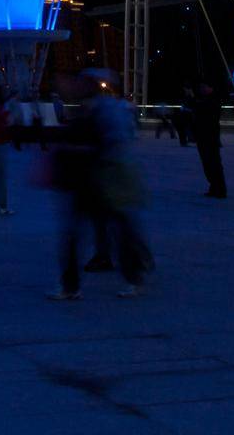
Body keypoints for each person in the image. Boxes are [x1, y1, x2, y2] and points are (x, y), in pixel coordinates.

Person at [49, 70, 150, 301]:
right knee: (86, 232)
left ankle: (132, 274)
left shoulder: (105, 109)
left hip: (102, 180)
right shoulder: (85, 108)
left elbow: (115, 142)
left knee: (116, 229)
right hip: (86, 181)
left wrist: (87, 153)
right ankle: (72, 285)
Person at [191, 83, 226, 198]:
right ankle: (215, 186)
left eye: (204, 87)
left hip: (209, 136)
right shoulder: (207, 100)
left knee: (212, 162)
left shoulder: (212, 101)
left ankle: (219, 188)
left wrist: (193, 99)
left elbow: (202, 110)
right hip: (206, 135)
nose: (201, 89)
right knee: (208, 162)